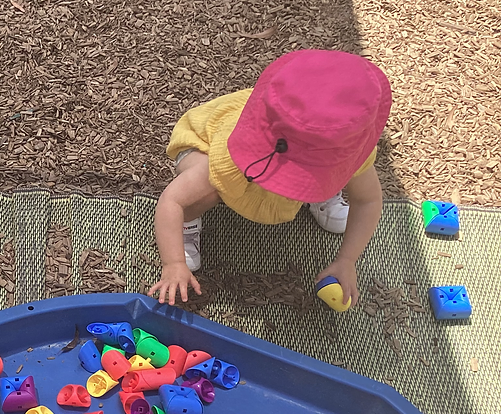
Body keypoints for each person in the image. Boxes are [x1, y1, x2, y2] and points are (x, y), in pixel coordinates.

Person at [148, 49, 392, 307]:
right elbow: (173, 200)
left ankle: (323, 191)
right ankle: (189, 223)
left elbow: (367, 202)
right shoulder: (228, 160)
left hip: (303, 145)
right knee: (207, 187)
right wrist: (173, 262)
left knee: (334, 167)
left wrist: (347, 260)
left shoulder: (346, 147)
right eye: (304, 178)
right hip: (203, 143)